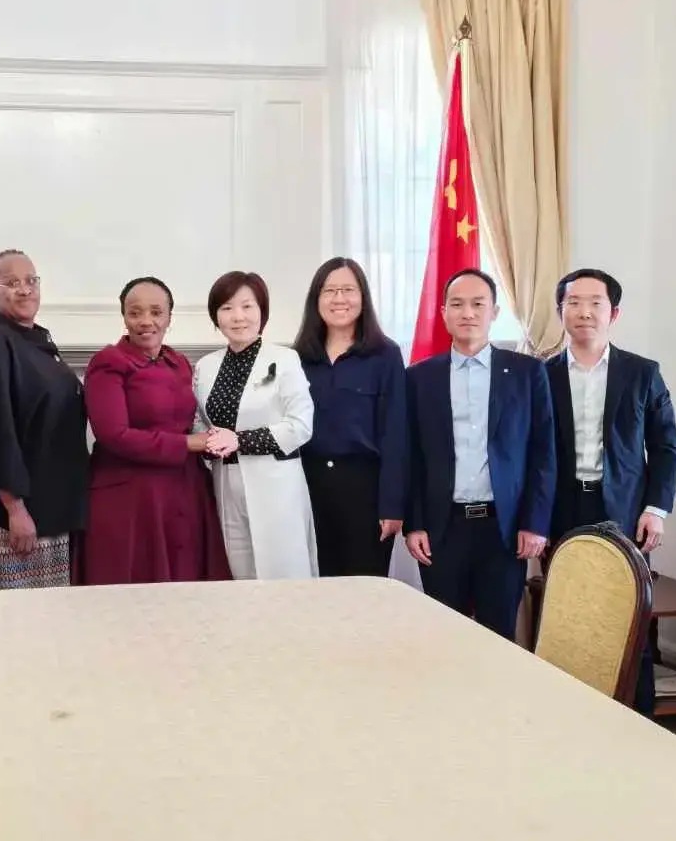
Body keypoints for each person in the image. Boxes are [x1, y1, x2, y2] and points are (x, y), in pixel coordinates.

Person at [547, 267, 676, 716]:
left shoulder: (642, 373)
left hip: (625, 510)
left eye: (595, 303)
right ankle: (568, 715)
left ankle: (636, 720)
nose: (584, 311)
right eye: (573, 302)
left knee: (627, 618)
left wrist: (656, 508)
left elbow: (666, 446)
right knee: (568, 618)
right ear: (561, 311)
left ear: (614, 313)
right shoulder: (541, 375)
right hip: (562, 508)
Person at [404, 269, 556, 641]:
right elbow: (411, 457)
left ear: (495, 311)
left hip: (503, 529)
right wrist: (414, 524)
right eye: (457, 305)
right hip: (443, 528)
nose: (468, 313)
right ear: (443, 313)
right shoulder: (419, 377)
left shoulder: (527, 373)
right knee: (443, 635)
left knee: (499, 635)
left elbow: (543, 453)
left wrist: (535, 522)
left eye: (478, 304)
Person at [0, 249, 89, 592]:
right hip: (11, 519)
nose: (24, 289)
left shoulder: (35, 338)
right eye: (11, 282)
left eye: (31, 280)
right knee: (10, 617)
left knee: (46, 617)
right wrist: (15, 508)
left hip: (47, 508)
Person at [78, 276, 231, 585]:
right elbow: (114, 435)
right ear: (124, 317)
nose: (145, 321)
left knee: (187, 592)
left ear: (170, 317)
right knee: (132, 594)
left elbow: (192, 420)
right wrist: (188, 444)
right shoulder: (108, 362)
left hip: (183, 493)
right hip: (130, 499)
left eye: (156, 312)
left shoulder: (179, 363)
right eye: (135, 313)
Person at [193, 271, 317, 580]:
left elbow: (300, 425)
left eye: (247, 306)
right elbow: (197, 421)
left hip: (275, 483)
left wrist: (240, 440)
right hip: (224, 483)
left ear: (262, 311)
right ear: (216, 316)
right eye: (227, 308)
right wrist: (208, 442)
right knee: (237, 573)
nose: (238, 317)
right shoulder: (205, 366)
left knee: (283, 574)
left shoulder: (284, 359)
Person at [293, 258, 407, 578]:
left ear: (363, 297)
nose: (339, 298)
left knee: (364, 588)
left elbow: (396, 433)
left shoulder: (385, 354)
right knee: (315, 585)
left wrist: (392, 504)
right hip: (308, 485)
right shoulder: (297, 357)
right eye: (329, 291)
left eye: (348, 290)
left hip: (365, 490)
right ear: (316, 299)